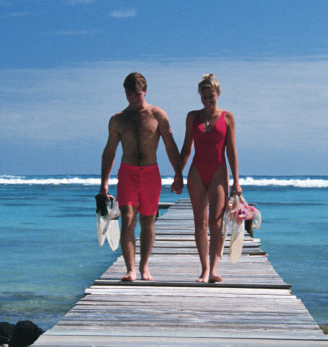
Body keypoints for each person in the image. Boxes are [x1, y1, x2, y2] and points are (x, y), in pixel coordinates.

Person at [100, 72, 183, 281]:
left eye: (137, 94)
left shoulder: (158, 115)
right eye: (129, 94)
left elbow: (170, 145)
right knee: (127, 219)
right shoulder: (118, 119)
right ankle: (130, 269)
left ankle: (144, 266)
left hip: (151, 173)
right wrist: (104, 184)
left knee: (148, 221)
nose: (133, 99)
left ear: (145, 91)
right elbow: (109, 151)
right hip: (127, 173)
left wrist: (178, 174)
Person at [179, 73, 242, 283]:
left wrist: (236, 181)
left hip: (218, 172)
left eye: (211, 96)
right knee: (200, 223)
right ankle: (204, 269)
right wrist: (178, 175)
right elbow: (186, 149)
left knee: (216, 223)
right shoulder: (192, 117)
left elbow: (232, 151)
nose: (207, 99)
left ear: (218, 94)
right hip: (197, 172)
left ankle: (214, 269)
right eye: (204, 96)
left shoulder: (227, 117)